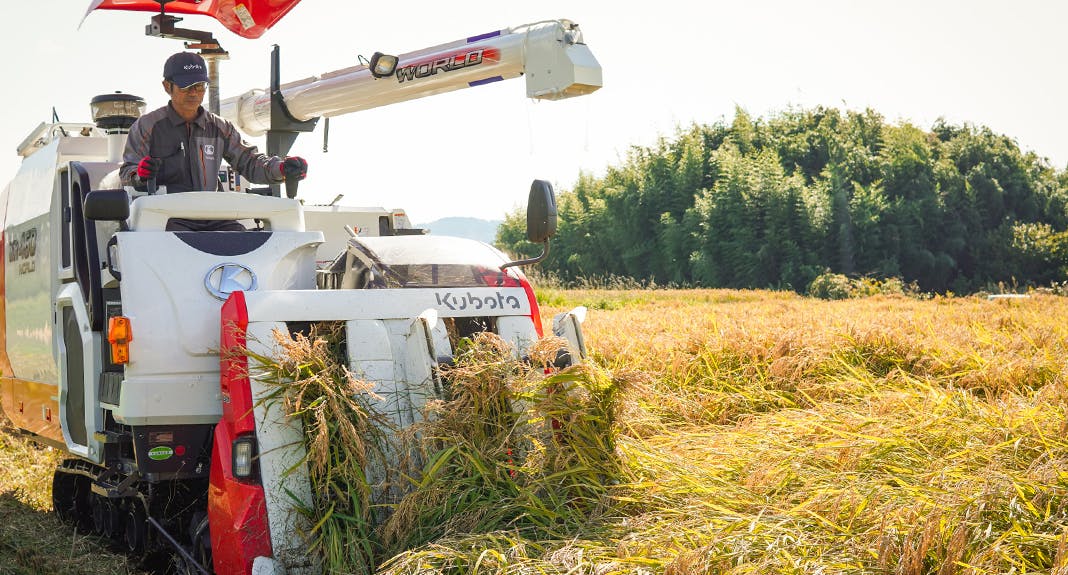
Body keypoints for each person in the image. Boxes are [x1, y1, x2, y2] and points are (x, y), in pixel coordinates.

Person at [120, 51, 307, 231]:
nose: (194, 93)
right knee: (171, 245)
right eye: (186, 86)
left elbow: (249, 162)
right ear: (167, 86)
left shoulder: (220, 127)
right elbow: (127, 173)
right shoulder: (147, 126)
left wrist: (281, 169)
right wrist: (140, 175)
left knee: (242, 241)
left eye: (200, 86)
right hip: (166, 217)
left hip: (214, 216)